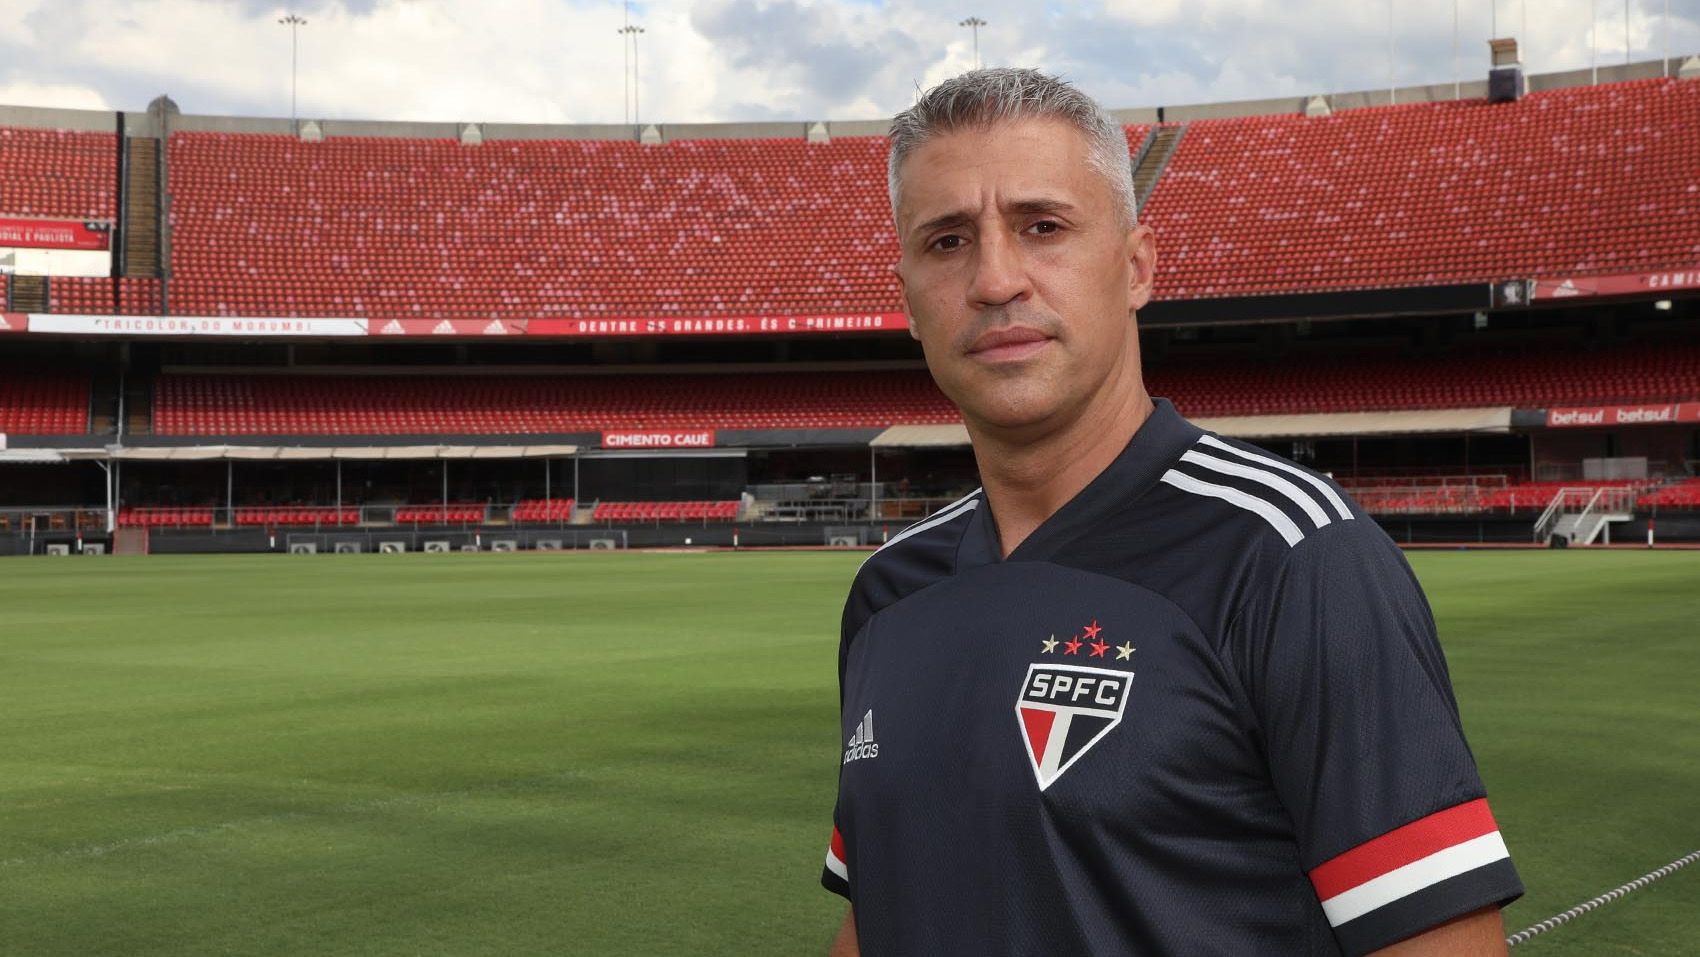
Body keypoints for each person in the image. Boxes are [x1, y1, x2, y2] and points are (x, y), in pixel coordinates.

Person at [820, 68, 1522, 956]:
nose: (995, 279)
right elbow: (882, 908)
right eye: (948, 240)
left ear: (1137, 266)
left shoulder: (1292, 555)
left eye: (1043, 227)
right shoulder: (888, 594)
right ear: (910, 299)